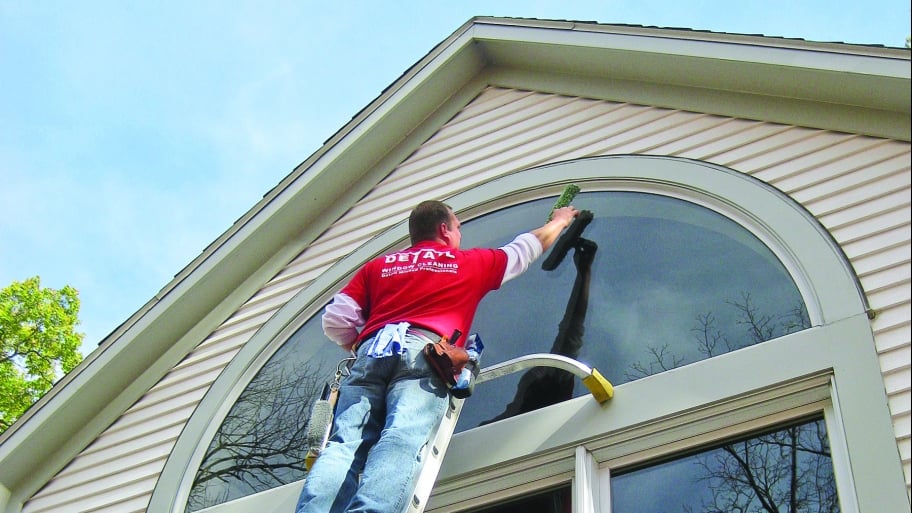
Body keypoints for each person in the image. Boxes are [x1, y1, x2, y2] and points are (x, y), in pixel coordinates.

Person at [295, 199, 579, 513]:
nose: (460, 235)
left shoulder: (378, 267)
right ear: (444, 230)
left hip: (371, 352)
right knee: (402, 435)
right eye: (458, 228)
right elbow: (526, 248)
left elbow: (336, 319)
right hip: (425, 353)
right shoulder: (468, 262)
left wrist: (363, 343)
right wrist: (560, 221)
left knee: (343, 445)